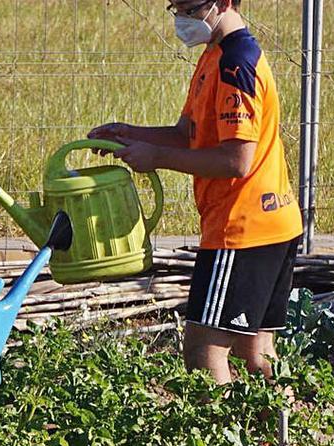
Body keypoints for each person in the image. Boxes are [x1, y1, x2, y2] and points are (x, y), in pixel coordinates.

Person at [88, 0, 302, 384]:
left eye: (189, 8)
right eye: (176, 8)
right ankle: (283, 444)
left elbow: (237, 160)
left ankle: (218, 442)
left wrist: (156, 157)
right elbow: (189, 135)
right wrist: (128, 134)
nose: (181, 19)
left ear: (223, 3)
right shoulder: (213, 56)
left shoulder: (236, 64)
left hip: (241, 228)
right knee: (255, 352)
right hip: (274, 222)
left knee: (204, 351)